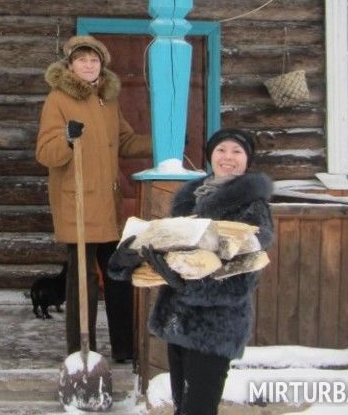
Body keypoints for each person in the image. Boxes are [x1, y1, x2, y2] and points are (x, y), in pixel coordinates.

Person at [109, 128, 274, 415]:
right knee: (183, 408)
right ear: (211, 156)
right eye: (221, 150)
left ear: (248, 160)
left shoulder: (252, 207)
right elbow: (170, 253)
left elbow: (242, 277)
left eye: (237, 151)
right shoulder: (190, 198)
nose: (228, 158)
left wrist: (187, 285)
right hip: (179, 321)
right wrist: (128, 260)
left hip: (216, 328)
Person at [35, 35, 151, 364]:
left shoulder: (107, 99)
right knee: (81, 283)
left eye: (94, 60)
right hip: (78, 203)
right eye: (82, 59)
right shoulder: (58, 99)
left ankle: (125, 349)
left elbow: (126, 142)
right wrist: (68, 140)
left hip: (107, 202)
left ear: (102, 65)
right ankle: (81, 352)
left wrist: (164, 143)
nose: (89, 65)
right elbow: (45, 153)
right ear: (69, 65)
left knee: (118, 276)